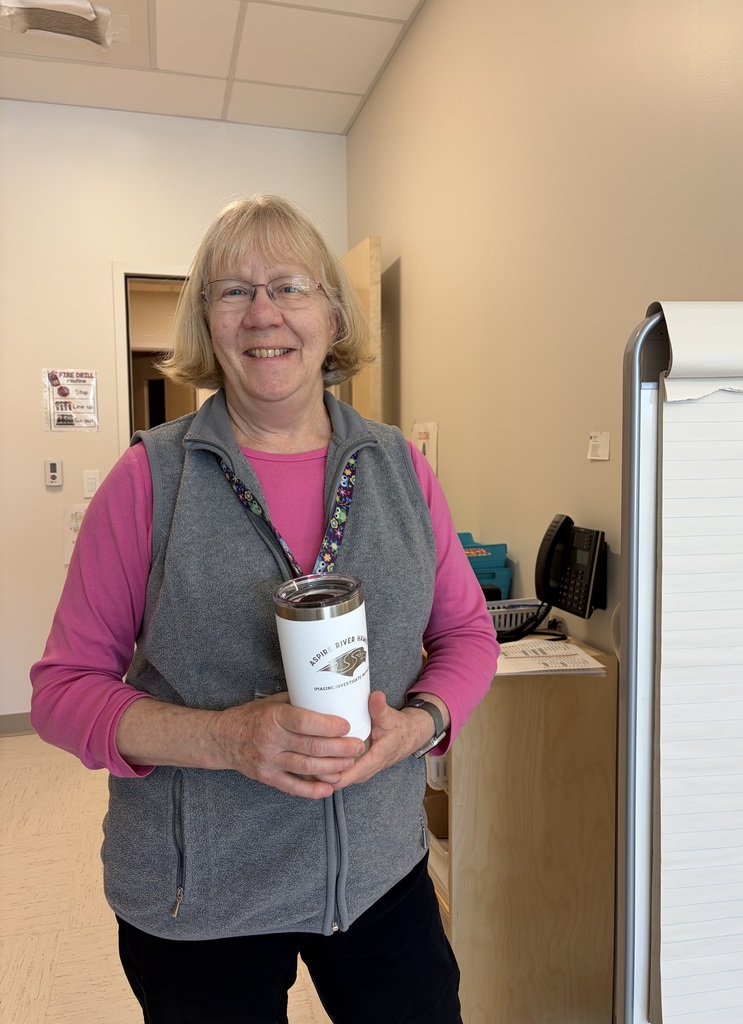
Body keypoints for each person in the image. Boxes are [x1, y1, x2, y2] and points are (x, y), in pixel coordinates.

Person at [30, 194, 499, 1024]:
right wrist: (223, 737)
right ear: (207, 323)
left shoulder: (400, 469)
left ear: (332, 311)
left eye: (290, 286)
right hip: (199, 894)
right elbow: (63, 691)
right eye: (232, 290)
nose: (264, 314)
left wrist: (419, 724)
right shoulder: (148, 481)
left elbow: (464, 633)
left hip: (379, 874)